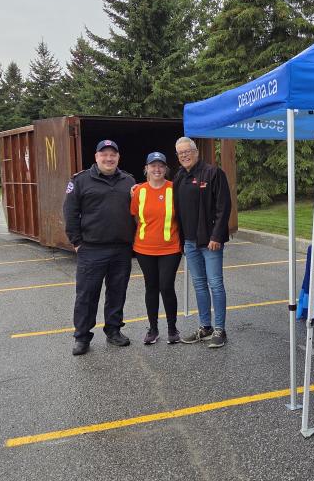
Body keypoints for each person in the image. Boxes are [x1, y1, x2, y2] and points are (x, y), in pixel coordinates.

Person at [62, 139, 136, 356]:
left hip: (121, 249)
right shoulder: (80, 180)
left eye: (113, 154)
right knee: (86, 295)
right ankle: (82, 337)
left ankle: (113, 330)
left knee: (117, 292)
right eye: (104, 154)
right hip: (91, 249)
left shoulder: (128, 180)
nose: (108, 158)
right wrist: (76, 242)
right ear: (96, 157)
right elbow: (70, 212)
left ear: (118, 157)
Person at [173, 136, 231, 348]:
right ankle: (205, 327)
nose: (185, 155)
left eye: (187, 151)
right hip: (189, 242)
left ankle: (219, 329)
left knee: (215, 284)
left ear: (196, 152)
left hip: (210, 242)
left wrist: (216, 236)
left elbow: (224, 207)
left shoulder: (213, 173)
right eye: (181, 153)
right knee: (199, 284)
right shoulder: (179, 177)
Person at [131, 152, 182, 345]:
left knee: (166, 286)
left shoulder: (174, 189)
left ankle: (172, 329)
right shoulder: (139, 191)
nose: (157, 169)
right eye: (153, 166)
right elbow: (136, 216)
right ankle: (153, 329)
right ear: (146, 169)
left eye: (161, 165)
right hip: (144, 248)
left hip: (170, 248)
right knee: (151, 287)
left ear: (166, 168)